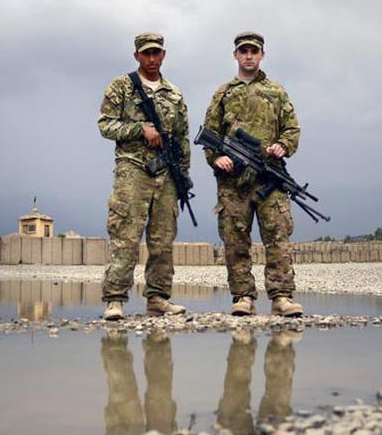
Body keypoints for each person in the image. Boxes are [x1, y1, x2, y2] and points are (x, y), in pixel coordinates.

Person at [203, 31, 303, 317]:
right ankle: (243, 297)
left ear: (262, 55)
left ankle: (282, 296)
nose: (249, 56)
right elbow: (209, 133)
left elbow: (292, 129)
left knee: (278, 236)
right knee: (235, 239)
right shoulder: (223, 93)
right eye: (243, 51)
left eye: (254, 51)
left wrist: (282, 146)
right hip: (233, 182)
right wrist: (216, 157)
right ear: (235, 55)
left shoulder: (277, 92)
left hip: (269, 177)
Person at [98, 32, 190, 320]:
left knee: (163, 239)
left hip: (167, 174)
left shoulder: (174, 94)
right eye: (146, 53)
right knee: (126, 235)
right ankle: (114, 299)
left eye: (157, 53)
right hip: (133, 170)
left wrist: (183, 175)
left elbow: (182, 137)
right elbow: (106, 125)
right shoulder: (122, 87)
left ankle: (158, 298)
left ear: (163, 55)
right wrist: (141, 130)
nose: (152, 58)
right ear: (137, 56)